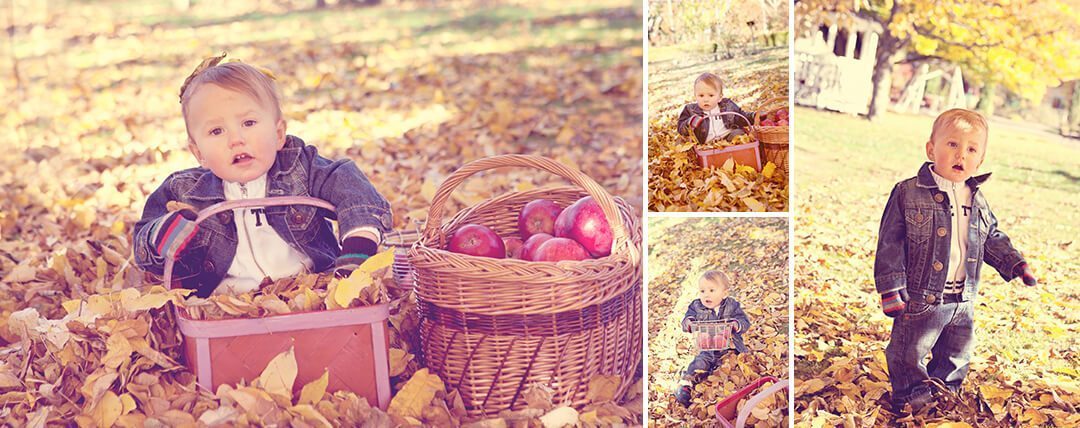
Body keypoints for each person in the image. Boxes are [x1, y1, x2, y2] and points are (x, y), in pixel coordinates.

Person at [133, 53, 392, 297]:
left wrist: (358, 248)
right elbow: (144, 248)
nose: (236, 139)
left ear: (279, 134)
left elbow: (352, 188)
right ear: (198, 152)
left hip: (313, 293)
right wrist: (163, 236)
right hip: (226, 305)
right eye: (216, 131)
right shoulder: (186, 191)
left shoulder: (300, 167)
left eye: (248, 123)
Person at [874, 108, 1038, 412]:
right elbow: (889, 243)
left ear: (980, 160)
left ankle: (944, 393)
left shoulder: (977, 198)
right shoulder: (908, 193)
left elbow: (991, 237)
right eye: (952, 145)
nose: (960, 154)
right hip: (921, 297)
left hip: (964, 300)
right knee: (908, 351)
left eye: (971, 149)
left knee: (956, 353)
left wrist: (1015, 263)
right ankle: (910, 399)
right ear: (931, 148)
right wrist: (890, 288)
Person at [672, 270, 751, 407]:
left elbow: (744, 321)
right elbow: (687, 319)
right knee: (701, 363)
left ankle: (732, 389)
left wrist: (736, 325)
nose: (706, 295)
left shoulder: (732, 305)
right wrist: (689, 323)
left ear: (724, 293)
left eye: (711, 290)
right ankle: (686, 382)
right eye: (702, 291)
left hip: (730, 346)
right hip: (707, 347)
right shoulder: (696, 306)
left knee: (733, 365)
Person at [676, 72, 757, 145]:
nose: (705, 99)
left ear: (719, 97)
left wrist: (754, 116)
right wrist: (689, 123)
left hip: (728, 137)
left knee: (738, 134)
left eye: (711, 95)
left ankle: (740, 153)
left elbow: (741, 116)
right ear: (695, 96)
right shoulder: (691, 110)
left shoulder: (728, 106)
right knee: (685, 143)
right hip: (706, 144)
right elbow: (680, 128)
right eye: (701, 95)